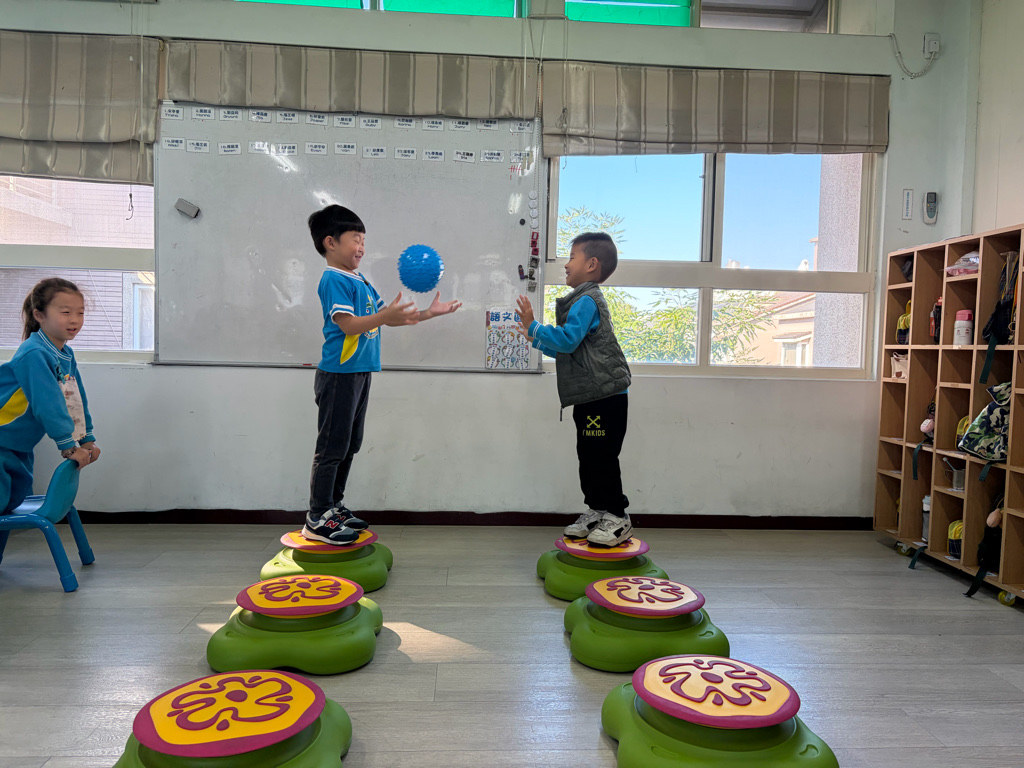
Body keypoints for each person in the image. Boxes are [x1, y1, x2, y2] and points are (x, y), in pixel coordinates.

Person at [303, 204, 461, 545]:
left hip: (359, 373)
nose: (361, 247)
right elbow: (348, 325)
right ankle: (317, 516)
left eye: (364, 240)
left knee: (350, 443)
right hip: (339, 374)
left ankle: (334, 507)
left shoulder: (360, 280)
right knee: (332, 447)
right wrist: (384, 316)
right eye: (355, 239)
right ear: (330, 242)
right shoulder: (333, 279)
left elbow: (392, 317)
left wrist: (430, 313)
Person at [517, 232, 633, 546]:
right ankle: (598, 509)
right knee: (588, 456)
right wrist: (535, 338)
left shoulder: (587, 300)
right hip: (591, 395)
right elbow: (571, 351)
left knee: (601, 456)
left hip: (605, 397)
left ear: (591, 264)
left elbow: (567, 340)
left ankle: (618, 517)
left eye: (571, 258)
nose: (566, 265)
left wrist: (535, 326)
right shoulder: (581, 301)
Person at [0, 278, 100, 514]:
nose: (75, 319)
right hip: (3, 440)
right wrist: (68, 446)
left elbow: (75, 400)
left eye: (80, 313)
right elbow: (48, 404)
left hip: (19, 444)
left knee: (9, 505)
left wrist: (86, 438)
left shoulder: (65, 353)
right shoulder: (35, 353)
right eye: (65, 312)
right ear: (39, 315)